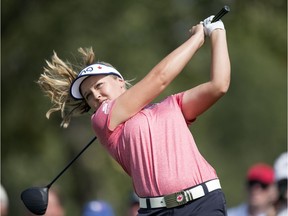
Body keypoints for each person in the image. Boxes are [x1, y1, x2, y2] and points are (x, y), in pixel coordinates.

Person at [38, 14, 230, 215]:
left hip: (204, 202)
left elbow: (219, 85)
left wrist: (217, 31)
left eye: (99, 85)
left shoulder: (172, 104)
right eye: (88, 95)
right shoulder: (103, 120)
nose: (95, 95)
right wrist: (197, 39)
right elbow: (160, 79)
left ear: (119, 81)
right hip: (156, 211)